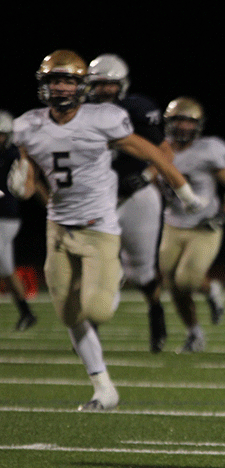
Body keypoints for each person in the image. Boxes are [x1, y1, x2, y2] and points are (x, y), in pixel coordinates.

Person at [8, 49, 205, 410]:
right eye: (55, 80)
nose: (62, 87)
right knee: (69, 315)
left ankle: (113, 278)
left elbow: (153, 152)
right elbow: (27, 174)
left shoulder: (105, 118)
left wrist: (185, 192)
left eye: (68, 80)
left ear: (82, 86)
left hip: (99, 225)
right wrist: (21, 184)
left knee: (97, 311)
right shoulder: (28, 125)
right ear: (44, 85)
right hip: (59, 227)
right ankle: (103, 388)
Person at [87, 53, 171, 353]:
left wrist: (147, 177)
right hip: (99, 197)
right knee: (95, 263)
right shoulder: (79, 112)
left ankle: (156, 313)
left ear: (122, 85)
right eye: (99, 84)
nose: (105, 90)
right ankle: (90, 331)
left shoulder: (138, 109)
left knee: (141, 271)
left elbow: (164, 152)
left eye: (110, 84)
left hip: (136, 196)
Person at [158, 97, 225, 353]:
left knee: (187, 280)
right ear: (168, 122)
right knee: (172, 284)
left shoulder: (209, 149)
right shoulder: (159, 149)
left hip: (203, 226)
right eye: (178, 120)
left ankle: (211, 289)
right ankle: (194, 332)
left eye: (189, 121)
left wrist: (223, 215)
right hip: (172, 223)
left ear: (199, 125)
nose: (183, 126)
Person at [1, 109, 38, 331]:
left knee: (4, 265)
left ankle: (26, 312)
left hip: (6, 216)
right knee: (5, 268)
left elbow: (25, 185)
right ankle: (26, 312)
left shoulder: (13, 155)